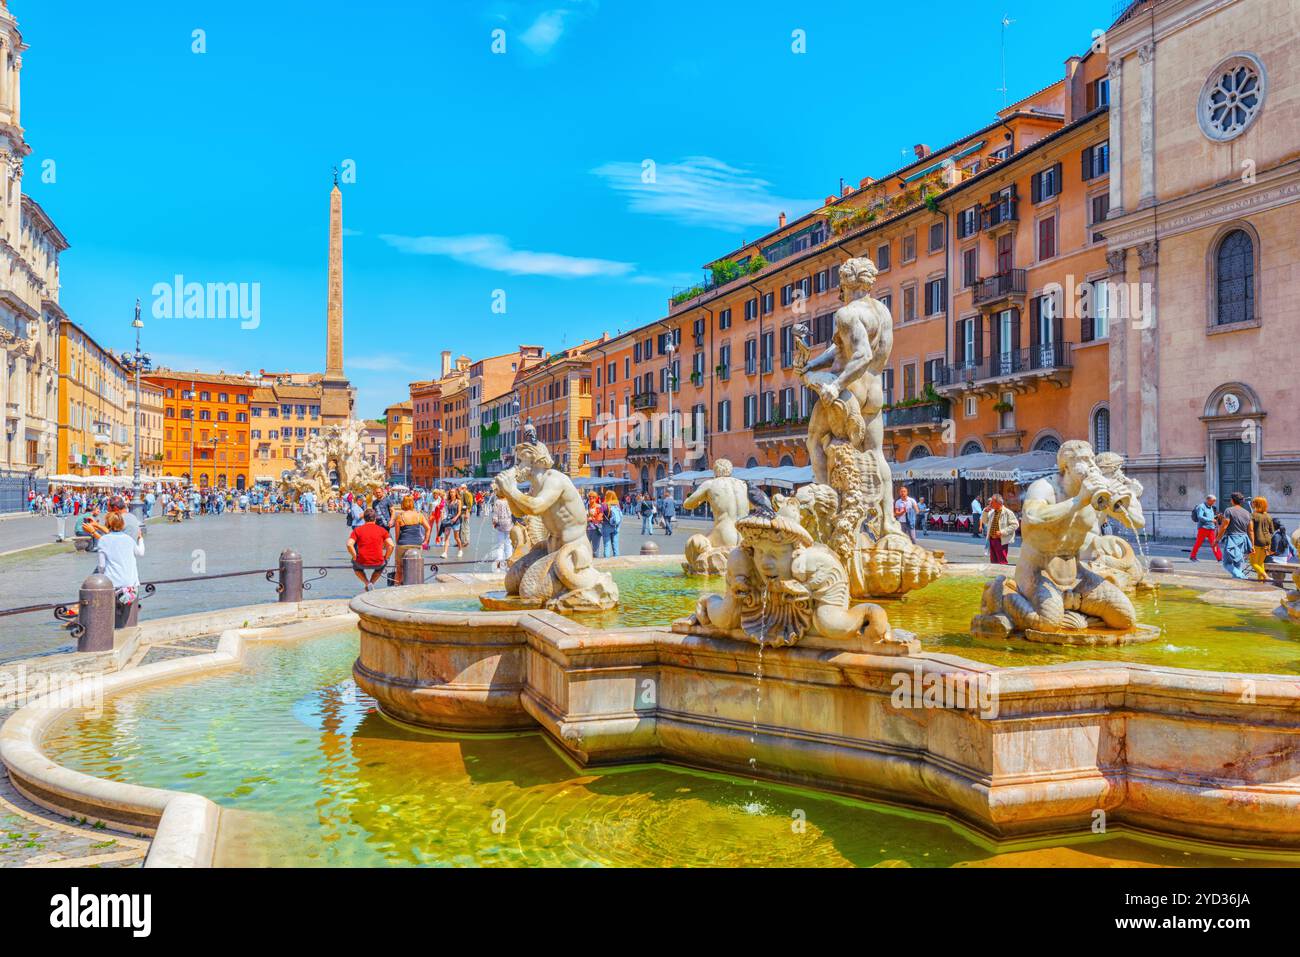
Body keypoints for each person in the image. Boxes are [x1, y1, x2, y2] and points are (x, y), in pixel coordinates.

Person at [96, 512, 145, 627]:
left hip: (114, 586)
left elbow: (101, 566)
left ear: (107, 524)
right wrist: (140, 538)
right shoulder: (128, 539)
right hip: (132, 586)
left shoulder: (103, 540)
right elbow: (140, 553)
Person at [348, 507, 393, 591]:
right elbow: (391, 545)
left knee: (356, 568)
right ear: (375, 519)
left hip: (361, 561)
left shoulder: (357, 530)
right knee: (381, 567)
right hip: (378, 562)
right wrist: (386, 557)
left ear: (364, 519)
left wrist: (354, 556)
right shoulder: (382, 530)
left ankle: (367, 583)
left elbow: (349, 544)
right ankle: (371, 583)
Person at [390, 495, 430, 584]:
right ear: (413, 503)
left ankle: (397, 586)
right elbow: (428, 528)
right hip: (417, 544)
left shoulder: (400, 516)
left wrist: (398, 544)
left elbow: (397, 535)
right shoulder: (419, 515)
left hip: (403, 543)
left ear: (403, 504)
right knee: (416, 566)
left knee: (399, 568)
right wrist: (425, 541)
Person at [1216, 492, 1253, 580]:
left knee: (1227, 563)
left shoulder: (1229, 510)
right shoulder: (1247, 513)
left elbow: (1224, 526)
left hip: (1232, 539)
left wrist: (1217, 539)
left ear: (1232, 500)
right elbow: (1251, 530)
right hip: (1243, 539)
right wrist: (1252, 544)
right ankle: (1237, 581)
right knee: (1238, 562)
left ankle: (1241, 576)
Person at [983, 493, 1019, 564]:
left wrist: (1002, 532)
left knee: (1002, 561)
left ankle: (1003, 574)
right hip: (992, 539)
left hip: (1001, 540)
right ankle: (994, 574)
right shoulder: (992, 512)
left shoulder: (1007, 512)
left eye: (992, 502)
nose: (990, 504)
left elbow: (1015, 524)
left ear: (998, 503)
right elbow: (985, 521)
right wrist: (986, 512)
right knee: (993, 561)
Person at [1249, 496, 1275, 582]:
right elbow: (1272, 531)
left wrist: (1251, 544)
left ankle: (1265, 576)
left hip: (1257, 541)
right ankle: (1260, 582)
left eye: (1253, 502)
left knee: (1253, 563)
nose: (1252, 504)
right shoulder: (1268, 516)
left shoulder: (1253, 515)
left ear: (1256, 504)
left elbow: (1251, 530)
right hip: (1267, 541)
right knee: (1260, 563)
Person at [1190, 494, 1222, 561]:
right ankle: (1192, 556)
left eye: (1214, 501)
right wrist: (1211, 520)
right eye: (1213, 501)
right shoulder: (1201, 507)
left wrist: (1216, 517)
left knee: (1214, 543)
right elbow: (1200, 517)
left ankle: (1219, 558)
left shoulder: (1211, 507)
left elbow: (1210, 517)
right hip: (1203, 528)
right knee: (1198, 543)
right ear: (1208, 500)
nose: (1214, 502)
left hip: (1211, 528)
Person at [490, 492, 513, 571]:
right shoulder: (509, 501)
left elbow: (495, 515)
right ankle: (509, 564)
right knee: (508, 544)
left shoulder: (497, 502)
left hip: (501, 524)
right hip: (509, 524)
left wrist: (494, 522)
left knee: (500, 545)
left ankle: (499, 565)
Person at [440, 488, 464, 559]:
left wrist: (455, 518)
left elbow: (459, 512)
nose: (451, 493)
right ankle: (445, 553)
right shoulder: (447, 501)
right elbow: (444, 510)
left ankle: (460, 550)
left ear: (456, 493)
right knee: (446, 537)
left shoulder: (458, 501)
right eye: (450, 492)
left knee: (456, 537)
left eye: (453, 492)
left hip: (456, 521)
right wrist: (442, 518)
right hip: (448, 521)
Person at [600, 490, 623, 557]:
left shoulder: (604, 505)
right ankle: (616, 559)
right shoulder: (617, 504)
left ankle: (606, 560)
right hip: (616, 526)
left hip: (606, 525)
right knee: (615, 544)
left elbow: (600, 516)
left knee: (606, 544)